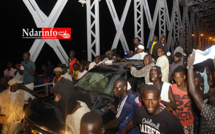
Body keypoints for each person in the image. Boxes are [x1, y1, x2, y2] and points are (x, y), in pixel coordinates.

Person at [187, 50, 215, 133]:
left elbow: (192, 91)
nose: (211, 91)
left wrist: (190, 65)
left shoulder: (211, 114)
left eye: (212, 94)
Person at [172, 66, 194, 134]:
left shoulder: (190, 88)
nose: (177, 80)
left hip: (188, 122)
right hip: (176, 122)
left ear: (184, 77)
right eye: (175, 78)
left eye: (180, 77)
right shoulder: (172, 88)